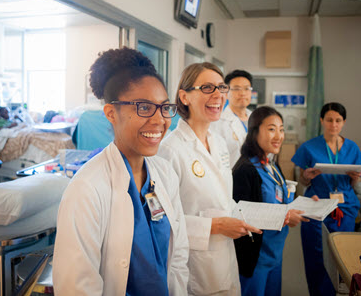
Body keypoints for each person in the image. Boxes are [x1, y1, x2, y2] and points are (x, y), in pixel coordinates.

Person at [53, 48, 189, 295]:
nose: (160, 120)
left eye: (163, 107)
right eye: (144, 108)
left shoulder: (164, 174)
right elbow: (77, 287)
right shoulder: (87, 190)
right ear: (111, 113)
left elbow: (178, 255)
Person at [158, 62, 261, 296]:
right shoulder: (170, 150)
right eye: (207, 88)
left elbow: (223, 200)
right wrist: (216, 226)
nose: (218, 95)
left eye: (221, 88)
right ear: (184, 96)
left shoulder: (218, 142)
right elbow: (163, 221)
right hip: (193, 267)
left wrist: (271, 216)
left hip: (224, 257)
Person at [291, 102, 361, 296]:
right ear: (322, 120)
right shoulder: (309, 147)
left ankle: (335, 291)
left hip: (345, 206)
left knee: (340, 254)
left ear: (344, 122)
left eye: (338, 120)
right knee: (316, 254)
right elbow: (303, 181)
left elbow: (355, 184)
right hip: (317, 204)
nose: (334, 124)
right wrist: (307, 176)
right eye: (330, 120)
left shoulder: (352, 148)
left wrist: (355, 178)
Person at [232, 106, 308, 296]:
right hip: (256, 258)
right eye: (272, 129)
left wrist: (306, 204)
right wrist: (285, 216)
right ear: (255, 132)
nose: (279, 136)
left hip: (274, 253)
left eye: (281, 129)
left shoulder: (271, 165)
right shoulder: (245, 170)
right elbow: (242, 215)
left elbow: (280, 199)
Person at [211, 70, 253, 167]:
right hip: (232, 177)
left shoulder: (257, 118)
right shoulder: (217, 122)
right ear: (226, 93)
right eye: (237, 89)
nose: (242, 93)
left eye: (247, 89)